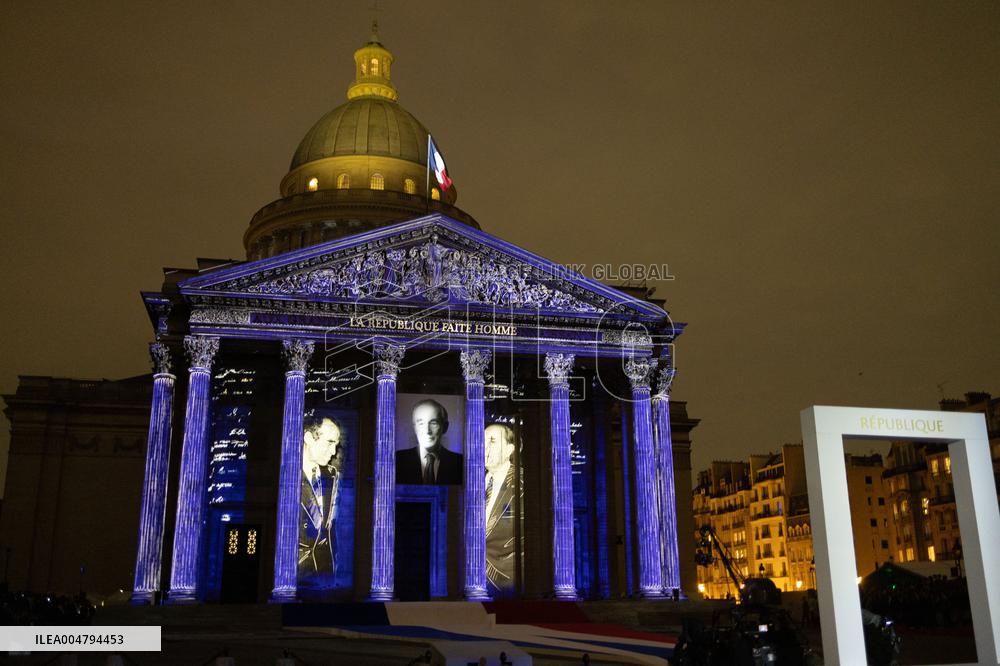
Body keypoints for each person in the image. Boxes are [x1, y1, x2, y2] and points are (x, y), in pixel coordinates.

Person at [298, 417, 343, 577]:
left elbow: (331, 529)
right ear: (309, 438)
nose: (333, 452)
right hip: (297, 572)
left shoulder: (332, 474)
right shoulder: (287, 473)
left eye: (336, 445)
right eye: (329, 442)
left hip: (325, 571)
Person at [396, 399, 462, 485]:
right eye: (421, 423)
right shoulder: (397, 460)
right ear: (414, 428)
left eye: (434, 423)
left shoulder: (460, 463)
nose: (427, 431)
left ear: (445, 427)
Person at [484, 423, 517, 590]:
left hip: (508, 580)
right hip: (468, 578)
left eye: (492, 441)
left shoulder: (525, 484)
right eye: (482, 441)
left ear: (509, 450)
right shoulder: (470, 482)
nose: (484, 447)